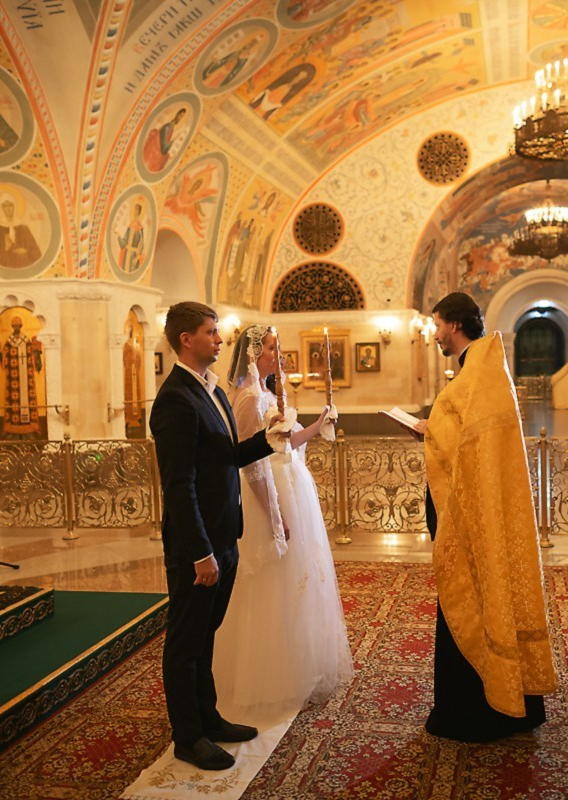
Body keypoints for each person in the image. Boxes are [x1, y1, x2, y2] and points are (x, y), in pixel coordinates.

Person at [150, 302, 327, 771]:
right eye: (211, 332)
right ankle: (188, 736)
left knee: (206, 634)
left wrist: (270, 439)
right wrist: (200, 552)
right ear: (186, 339)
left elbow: (227, 456)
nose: (219, 339)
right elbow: (179, 485)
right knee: (185, 642)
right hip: (199, 545)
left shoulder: (209, 389)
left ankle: (209, 718)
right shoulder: (175, 398)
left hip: (226, 534)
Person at [411, 291, 556, 742]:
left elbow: (463, 447)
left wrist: (429, 431)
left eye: (437, 325)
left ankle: (473, 712)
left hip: (470, 515)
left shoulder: (475, 377)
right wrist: (433, 429)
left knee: (474, 593)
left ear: (453, 325)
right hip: (481, 505)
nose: (435, 334)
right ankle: (510, 697)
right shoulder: (484, 370)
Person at [214, 324, 352, 717]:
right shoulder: (248, 399)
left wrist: (319, 424)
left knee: (299, 579)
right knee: (271, 581)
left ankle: (296, 668)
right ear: (254, 353)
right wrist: (275, 515)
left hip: (291, 485)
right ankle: (265, 677)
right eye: (273, 348)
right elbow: (251, 463)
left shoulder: (268, 393)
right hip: (267, 496)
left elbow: (285, 444)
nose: (279, 355)